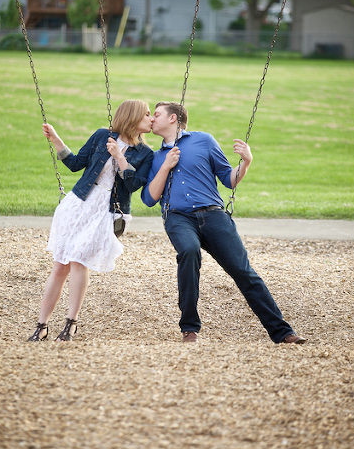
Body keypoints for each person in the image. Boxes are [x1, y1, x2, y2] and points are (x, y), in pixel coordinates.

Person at [141, 102, 306, 344]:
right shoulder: (154, 157)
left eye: (156, 115)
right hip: (178, 216)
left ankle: (282, 333)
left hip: (214, 215)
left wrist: (246, 162)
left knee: (243, 272)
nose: (152, 119)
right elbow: (148, 199)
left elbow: (229, 180)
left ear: (173, 118)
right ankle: (189, 328)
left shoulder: (204, 141)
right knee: (188, 251)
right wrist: (166, 166)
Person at [27, 100, 155, 342]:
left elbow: (133, 184)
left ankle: (70, 322)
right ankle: (41, 324)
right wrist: (56, 139)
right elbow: (76, 164)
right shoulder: (101, 136)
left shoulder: (146, 153)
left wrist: (119, 157)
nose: (151, 118)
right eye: (146, 114)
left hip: (107, 211)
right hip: (78, 204)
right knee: (60, 266)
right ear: (132, 116)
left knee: (78, 260)